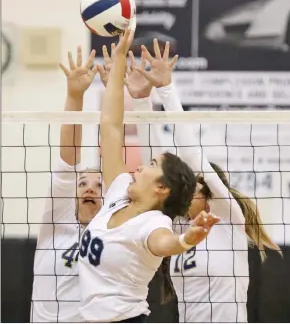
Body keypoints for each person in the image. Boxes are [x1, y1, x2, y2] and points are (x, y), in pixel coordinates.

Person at [126, 38, 282, 322]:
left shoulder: (226, 217)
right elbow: (153, 167)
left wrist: (166, 89)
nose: (183, 193)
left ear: (210, 193)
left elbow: (193, 157)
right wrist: (141, 99)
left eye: (191, 188)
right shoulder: (178, 226)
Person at [77, 30, 220, 323]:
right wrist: (118, 62)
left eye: (151, 163)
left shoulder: (155, 224)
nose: (140, 166)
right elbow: (111, 126)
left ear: (162, 188)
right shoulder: (119, 191)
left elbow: (164, 243)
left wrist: (186, 240)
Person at [31, 47, 102, 322]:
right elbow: (68, 161)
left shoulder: (113, 232)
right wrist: (75, 96)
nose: (89, 188)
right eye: (83, 183)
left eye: (98, 186)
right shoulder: (58, 221)